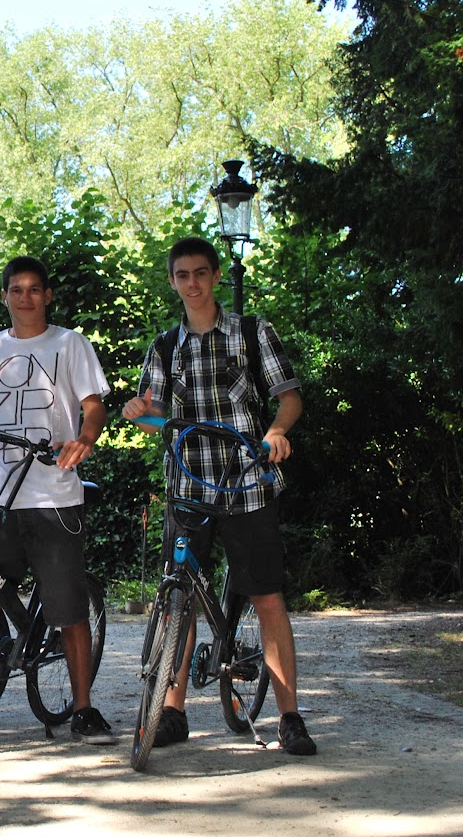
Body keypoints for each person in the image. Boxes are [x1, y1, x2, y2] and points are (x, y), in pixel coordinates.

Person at [121, 235, 317, 755]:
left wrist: (276, 432)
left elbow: (289, 398)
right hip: (188, 488)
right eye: (182, 275)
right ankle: (172, 712)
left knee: (267, 597)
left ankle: (290, 717)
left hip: (247, 484)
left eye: (201, 273)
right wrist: (139, 413)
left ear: (214, 277)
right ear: (173, 282)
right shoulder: (165, 347)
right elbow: (154, 415)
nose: (193, 283)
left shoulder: (252, 332)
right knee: (179, 599)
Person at [0, 256, 115, 745]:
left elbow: (94, 406)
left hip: (54, 495)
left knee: (69, 610)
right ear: (4, 296)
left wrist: (84, 438)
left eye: (34, 289)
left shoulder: (70, 343)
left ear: (48, 295)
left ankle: (83, 710)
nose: (25, 298)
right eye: (16, 290)